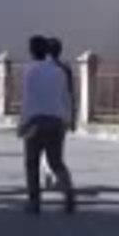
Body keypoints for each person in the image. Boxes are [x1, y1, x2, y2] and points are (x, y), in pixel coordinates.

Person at [20, 35, 75, 215]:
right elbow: (65, 96)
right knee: (56, 161)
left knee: (32, 163)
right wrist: (67, 119)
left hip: (35, 122)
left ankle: (34, 202)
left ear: (32, 51)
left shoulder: (30, 71)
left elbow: (27, 100)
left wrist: (23, 123)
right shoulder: (59, 71)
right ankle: (69, 193)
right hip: (56, 122)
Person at [42, 37, 75, 189]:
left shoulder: (40, 69)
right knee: (57, 147)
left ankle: (51, 175)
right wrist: (71, 116)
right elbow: (69, 94)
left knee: (45, 147)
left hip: (44, 113)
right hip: (61, 114)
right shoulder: (65, 69)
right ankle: (51, 175)